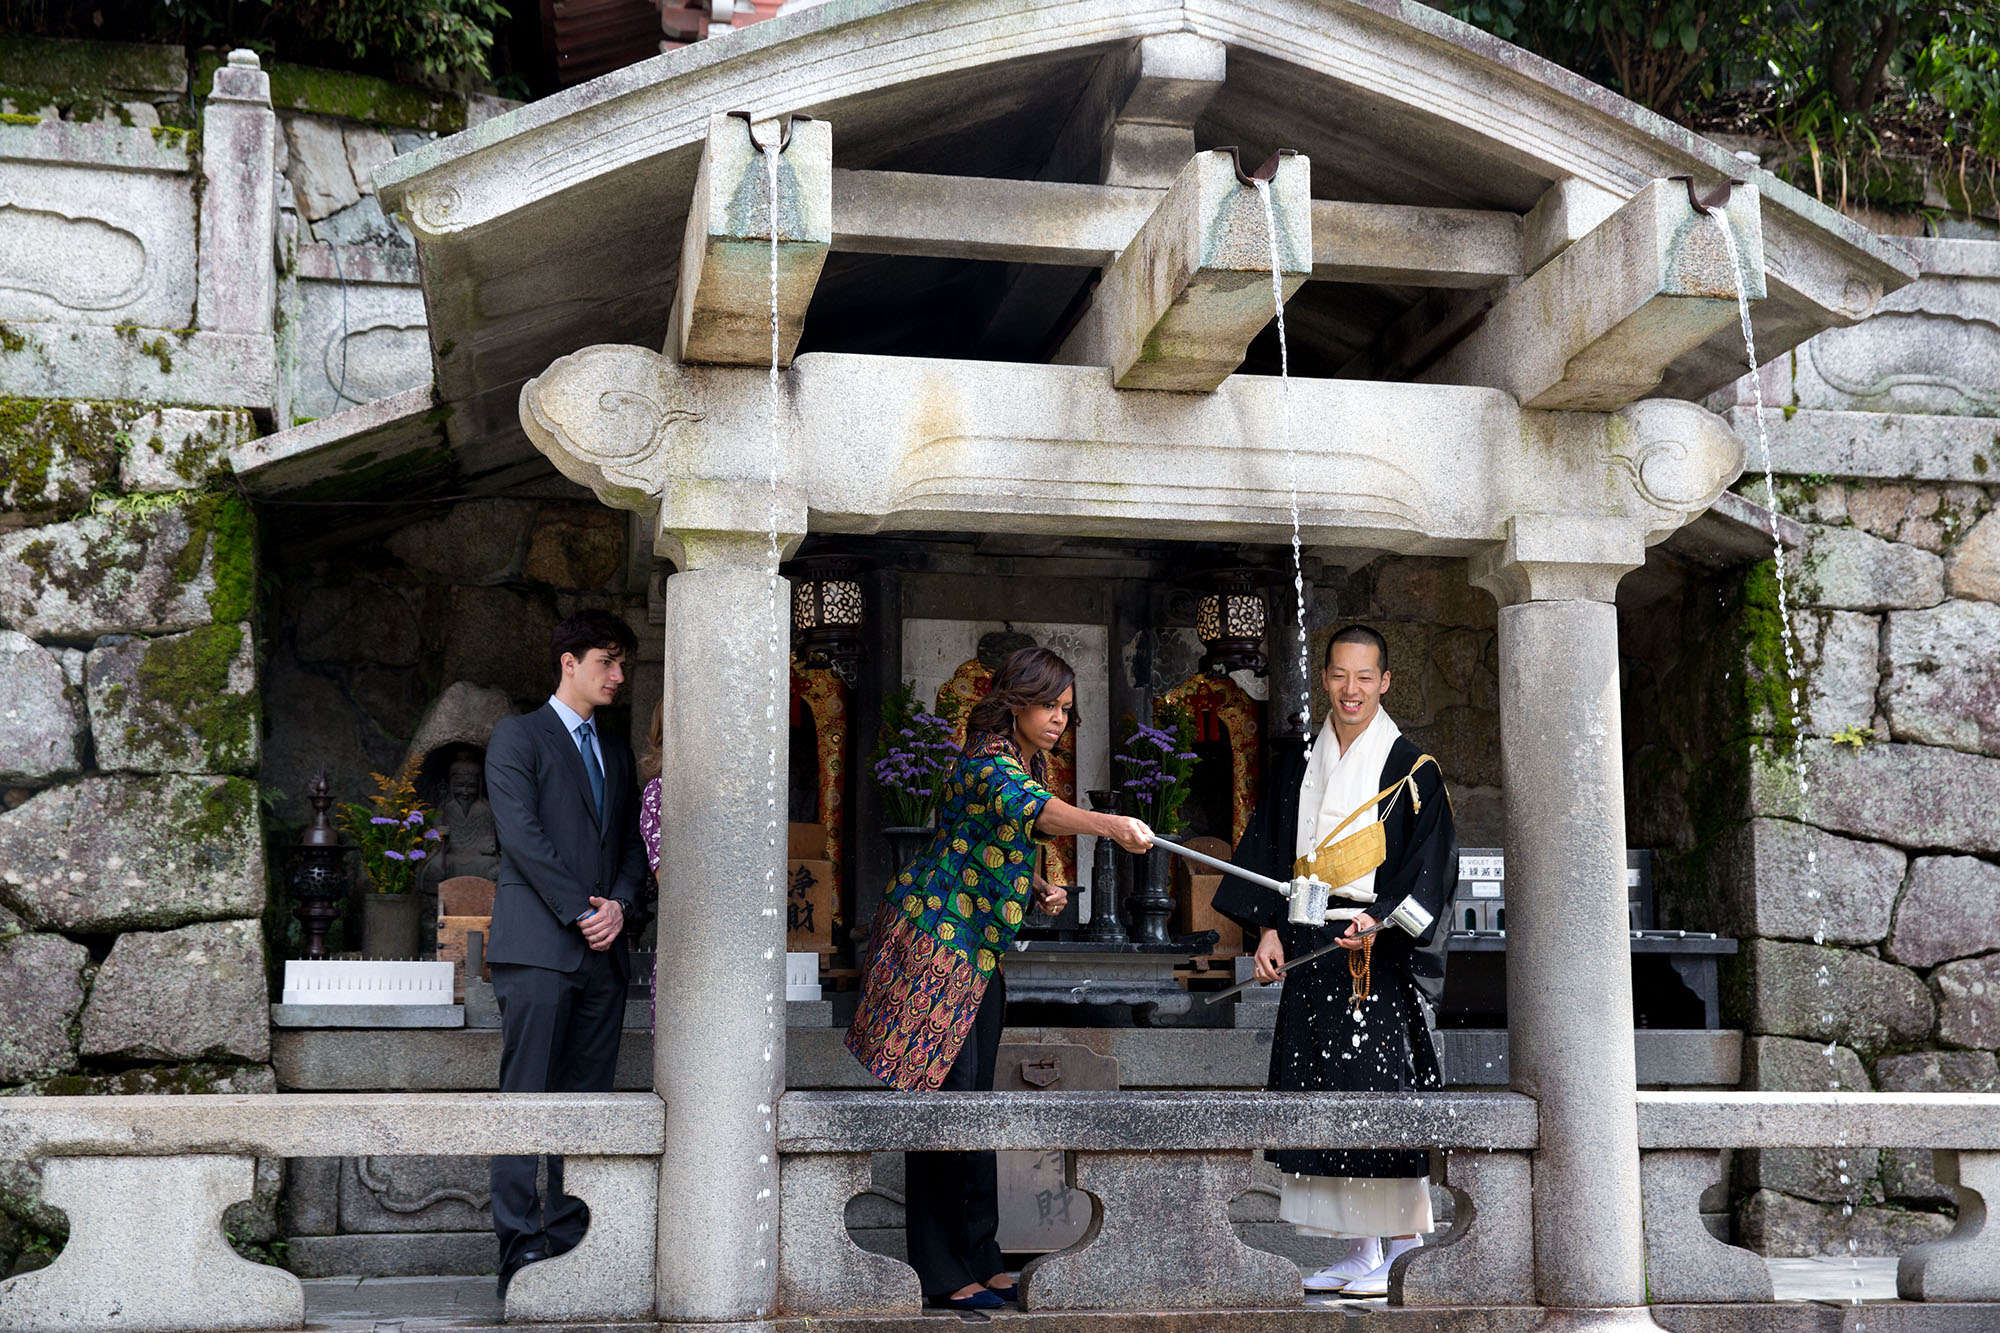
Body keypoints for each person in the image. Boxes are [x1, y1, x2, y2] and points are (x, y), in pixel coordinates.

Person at [845, 646, 1152, 1311]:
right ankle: (938, 1267)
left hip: (977, 955)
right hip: (934, 950)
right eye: (1049, 706)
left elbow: (988, 838)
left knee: (975, 1108)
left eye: (1067, 711)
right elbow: (1032, 810)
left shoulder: (1021, 759)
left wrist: (1036, 881)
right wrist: (1112, 825)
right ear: (1015, 701)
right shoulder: (986, 762)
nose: (1058, 722)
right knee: (943, 1110)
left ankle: (981, 1255)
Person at [1214, 624, 1457, 1299]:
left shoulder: (1414, 771)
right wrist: (1265, 930)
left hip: (1376, 955)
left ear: (1385, 682)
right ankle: (1356, 1250)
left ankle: (1403, 1249)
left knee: (1377, 1097)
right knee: (1319, 1094)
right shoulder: (1299, 762)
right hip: (1311, 943)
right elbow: (1270, 853)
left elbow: (1430, 871)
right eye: (1339, 675)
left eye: (1365, 677)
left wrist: (1381, 921)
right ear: (1324, 678)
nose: (1351, 689)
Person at [484, 609, 647, 1299]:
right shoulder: (516, 736)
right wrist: (583, 909)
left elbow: (633, 845)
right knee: (527, 1097)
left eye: (621, 664)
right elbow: (520, 835)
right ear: (568, 663)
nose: (617, 676)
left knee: (590, 1103)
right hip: (539, 948)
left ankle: (578, 1239)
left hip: (603, 954)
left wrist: (619, 904)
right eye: (607, 661)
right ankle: (521, 1246)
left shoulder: (617, 750)